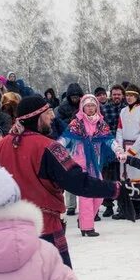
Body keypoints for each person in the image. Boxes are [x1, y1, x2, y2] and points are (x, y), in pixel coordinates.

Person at [0, 96, 125, 267]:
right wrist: (116, 189)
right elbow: (78, 182)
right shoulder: (50, 147)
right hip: (44, 228)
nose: (52, 117)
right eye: (48, 113)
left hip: (10, 230)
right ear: (37, 117)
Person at [58, 95, 126, 237]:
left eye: (92, 105)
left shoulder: (101, 124)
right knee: (86, 196)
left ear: (97, 107)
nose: (90, 108)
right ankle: (87, 227)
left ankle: (83, 219)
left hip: (95, 165)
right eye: (87, 106)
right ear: (82, 107)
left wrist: (119, 151)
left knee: (99, 195)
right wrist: (55, 149)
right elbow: (65, 139)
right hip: (80, 164)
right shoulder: (76, 123)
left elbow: (110, 141)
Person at [115, 84, 140, 220]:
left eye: (132, 95)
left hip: (137, 149)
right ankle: (127, 208)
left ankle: (138, 208)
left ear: (137, 96)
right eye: (127, 95)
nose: (129, 98)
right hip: (123, 149)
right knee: (126, 180)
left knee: (138, 180)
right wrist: (119, 149)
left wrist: (133, 150)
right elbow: (119, 130)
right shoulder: (123, 111)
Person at [54, 83, 84, 215]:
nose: (75, 99)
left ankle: (85, 202)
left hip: (83, 142)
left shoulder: (84, 105)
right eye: (73, 97)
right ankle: (71, 205)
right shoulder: (62, 108)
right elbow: (58, 123)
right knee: (70, 171)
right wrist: (71, 124)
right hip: (68, 141)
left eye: (77, 96)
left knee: (84, 172)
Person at [100, 84, 127, 217]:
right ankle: (108, 205)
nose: (116, 96)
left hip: (123, 147)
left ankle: (122, 205)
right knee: (108, 178)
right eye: (114, 94)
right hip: (108, 147)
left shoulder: (127, 109)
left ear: (123, 95)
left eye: (119, 94)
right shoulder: (105, 108)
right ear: (111, 95)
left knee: (122, 177)